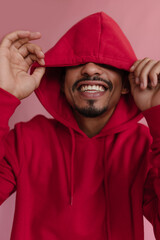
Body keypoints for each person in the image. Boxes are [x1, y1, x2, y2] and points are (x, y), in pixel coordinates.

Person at [0, 11, 160, 240]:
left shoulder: (144, 145)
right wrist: (3, 96)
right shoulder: (26, 139)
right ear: (62, 84)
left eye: (105, 62)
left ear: (127, 83)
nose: (91, 69)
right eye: (78, 62)